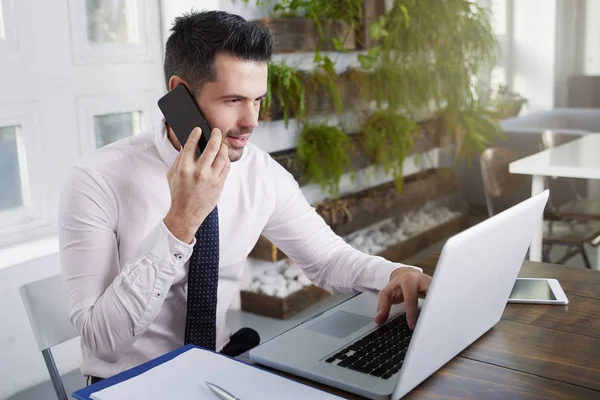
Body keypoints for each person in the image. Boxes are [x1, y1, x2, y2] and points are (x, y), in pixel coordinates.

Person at [59, 10, 432, 384]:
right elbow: (103, 343)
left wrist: (396, 273)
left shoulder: (260, 172)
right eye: (234, 100)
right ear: (179, 95)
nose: (251, 120)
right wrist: (181, 222)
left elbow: (328, 259)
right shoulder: (96, 180)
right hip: (127, 385)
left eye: (257, 100)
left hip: (217, 374)